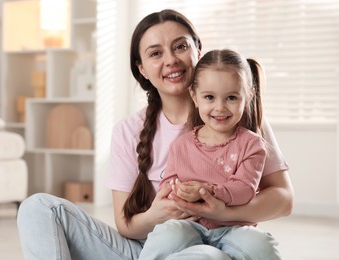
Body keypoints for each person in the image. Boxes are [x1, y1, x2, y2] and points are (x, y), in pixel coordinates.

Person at [17, 9, 293, 260]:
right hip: (152, 248)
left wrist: (223, 213)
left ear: (198, 49)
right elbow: (126, 225)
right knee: (38, 207)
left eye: (180, 46)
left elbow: (283, 199)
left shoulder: (239, 118)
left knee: (207, 255)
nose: (171, 60)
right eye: (155, 53)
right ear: (142, 68)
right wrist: (157, 215)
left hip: (221, 245)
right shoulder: (128, 131)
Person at [138, 48, 279, 259]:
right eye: (210, 97)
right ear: (194, 97)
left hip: (234, 228)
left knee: (261, 245)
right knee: (167, 235)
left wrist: (205, 191)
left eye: (231, 97)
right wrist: (179, 192)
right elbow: (169, 185)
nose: (220, 107)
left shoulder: (253, 144)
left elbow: (244, 190)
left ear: (248, 96)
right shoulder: (181, 145)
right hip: (190, 224)